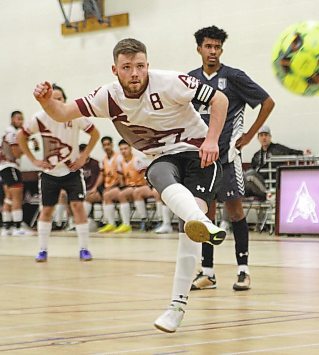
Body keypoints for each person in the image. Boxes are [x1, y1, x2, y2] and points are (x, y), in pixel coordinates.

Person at [32, 38, 229, 333]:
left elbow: (219, 99)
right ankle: (201, 224)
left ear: (147, 65)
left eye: (140, 66)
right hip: (161, 157)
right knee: (160, 177)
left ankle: (177, 305)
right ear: (115, 70)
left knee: (189, 231)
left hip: (199, 152)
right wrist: (45, 100)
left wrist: (212, 139)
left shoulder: (170, 81)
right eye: (127, 67)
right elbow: (61, 113)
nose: (134, 73)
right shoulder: (106, 97)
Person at [189, 25, 275, 292]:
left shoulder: (234, 77)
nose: (212, 51)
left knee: (235, 212)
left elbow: (268, 102)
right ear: (199, 49)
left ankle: (243, 271)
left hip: (228, 157)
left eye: (217, 47)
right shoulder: (190, 80)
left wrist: (249, 135)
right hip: (201, 159)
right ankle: (208, 273)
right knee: (205, 215)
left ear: (221, 50)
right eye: (208, 46)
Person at [18, 83, 100, 262]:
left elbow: (95, 134)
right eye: (53, 98)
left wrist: (84, 157)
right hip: (49, 173)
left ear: (65, 100)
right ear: (47, 100)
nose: (56, 102)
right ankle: (42, 250)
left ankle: (84, 249)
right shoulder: (38, 118)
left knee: (78, 207)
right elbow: (20, 137)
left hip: (71, 171)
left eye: (60, 99)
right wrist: (33, 160)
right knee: (46, 210)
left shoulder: (75, 116)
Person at [245, 125, 310, 199]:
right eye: (261, 135)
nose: (264, 138)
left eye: (266, 135)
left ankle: (267, 195)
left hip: (273, 183)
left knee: (250, 175)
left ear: (270, 137)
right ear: (258, 138)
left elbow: (290, 152)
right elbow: (252, 169)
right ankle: (265, 195)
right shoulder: (256, 155)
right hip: (260, 182)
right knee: (246, 176)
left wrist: (303, 152)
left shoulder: (278, 148)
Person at [0, 111, 30, 236]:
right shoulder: (13, 133)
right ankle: (18, 226)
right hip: (10, 166)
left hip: (3, 167)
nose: (21, 121)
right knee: (17, 195)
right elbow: (16, 153)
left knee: (9, 197)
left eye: (22, 119)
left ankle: (6, 228)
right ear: (12, 119)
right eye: (18, 119)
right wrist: (28, 145)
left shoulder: (7, 133)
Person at [96, 136, 123, 233]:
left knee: (106, 195)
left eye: (108, 144)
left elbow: (121, 177)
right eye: (104, 145)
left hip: (117, 186)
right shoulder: (103, 160)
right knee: (91, 196)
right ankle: (107, 222)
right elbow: (101, 175)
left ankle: (112, 223)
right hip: (107, 187)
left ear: (112, 145)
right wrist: (94, 188)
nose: (106, 147)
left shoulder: (119, 158)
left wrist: (111, 187)